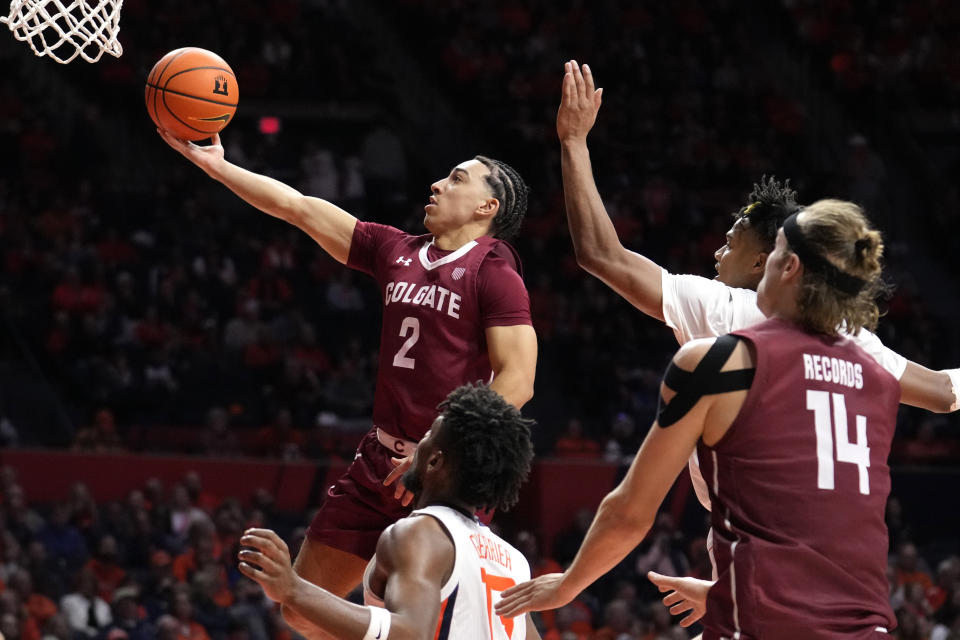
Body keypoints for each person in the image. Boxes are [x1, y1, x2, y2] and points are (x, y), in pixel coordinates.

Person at [158, 131, 538, 626]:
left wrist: (436, 449)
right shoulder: (396, 250)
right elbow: (298, 207)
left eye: (456, 178)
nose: (438, 184)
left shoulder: (495, 272)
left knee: (434, 626)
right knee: (299, 610)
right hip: (379, 460)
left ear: (487, 206)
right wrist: (218, 168)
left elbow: (519, 379)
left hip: (447, 474)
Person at [498, 199, 900, 638]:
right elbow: (819, 537)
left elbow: (631, 511)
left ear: (787, 268)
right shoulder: (877, 382)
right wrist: (721, 592)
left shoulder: (720, 362)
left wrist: (568, 584)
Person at [553, 60, 958, 418]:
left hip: (757, 503)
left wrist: (573, 142)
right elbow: (944, 393)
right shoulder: (850, 336)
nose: (716, 251)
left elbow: (600, 254)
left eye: (730, 243)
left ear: (763, 263)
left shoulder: (725, 307)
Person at [238, 383, 541, 639]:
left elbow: (409, 633)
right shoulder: (513, 562)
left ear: (434, 462)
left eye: (426, 437)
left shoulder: (418, 533)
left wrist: (293, 590)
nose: (417, 443)